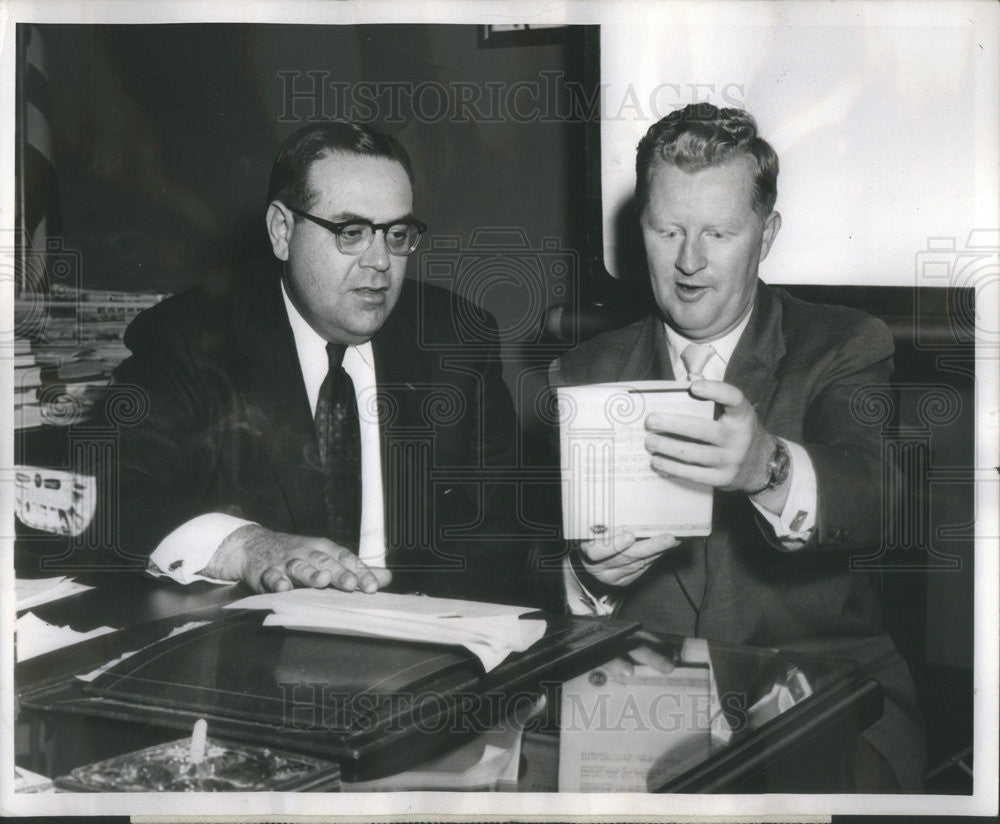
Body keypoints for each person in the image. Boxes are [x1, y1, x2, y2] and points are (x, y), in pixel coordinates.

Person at [548, 103, 925, 791]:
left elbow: (879, 498)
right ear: (640, 233)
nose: (689, 263)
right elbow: (530, 568)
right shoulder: (585, 372)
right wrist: (589, 579)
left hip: (827, 698)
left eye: (718, 233)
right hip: (637, 705)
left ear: (767, 234)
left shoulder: (843, 342)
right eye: (668, 231)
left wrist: (766, 467)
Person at [106, 122, 527, 603]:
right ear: (282, 231)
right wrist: (245, 546)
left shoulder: (457, 339)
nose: (380, 263)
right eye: (351, 232)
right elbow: (114, 491)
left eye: (397, 234)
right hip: (251, 652)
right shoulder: (189, 340)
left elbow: (502, 530)